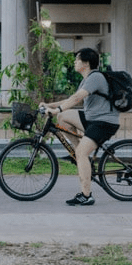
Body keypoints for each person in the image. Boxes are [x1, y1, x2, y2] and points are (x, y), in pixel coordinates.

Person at [40, 47, 119, 206]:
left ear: (86, 63)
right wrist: (50, 105)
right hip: (92, 119)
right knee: (63, 117)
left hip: (104, 123)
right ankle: (79, 154)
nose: (74, 62)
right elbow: (71, 99)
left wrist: (55, 110)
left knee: (81, 152)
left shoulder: (95, 77)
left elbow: (77, 98)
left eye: (77, 59)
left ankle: (86, 195)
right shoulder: (87, 79)